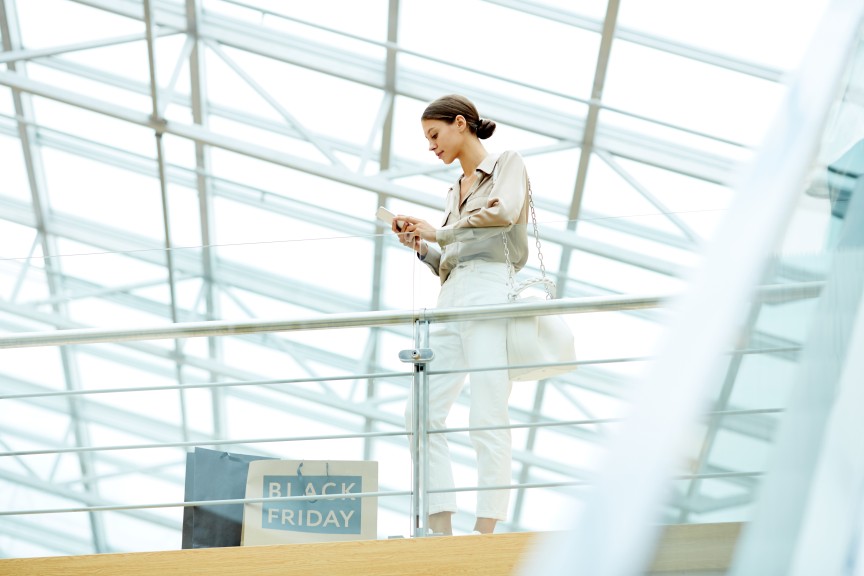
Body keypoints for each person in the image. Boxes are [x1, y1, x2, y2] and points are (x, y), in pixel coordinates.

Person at [392, 94, 530, 535]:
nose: (431, 146)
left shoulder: (507, 163)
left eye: (434, 135)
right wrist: (425, 246)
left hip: (491, 289)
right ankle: (441, 528)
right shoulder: (454, 190)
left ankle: (486, 529)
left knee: (487, 411)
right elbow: (451, 258)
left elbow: (504, 212)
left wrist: (443, 230)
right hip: (452, 297)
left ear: (459, 123)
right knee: (420, 414)